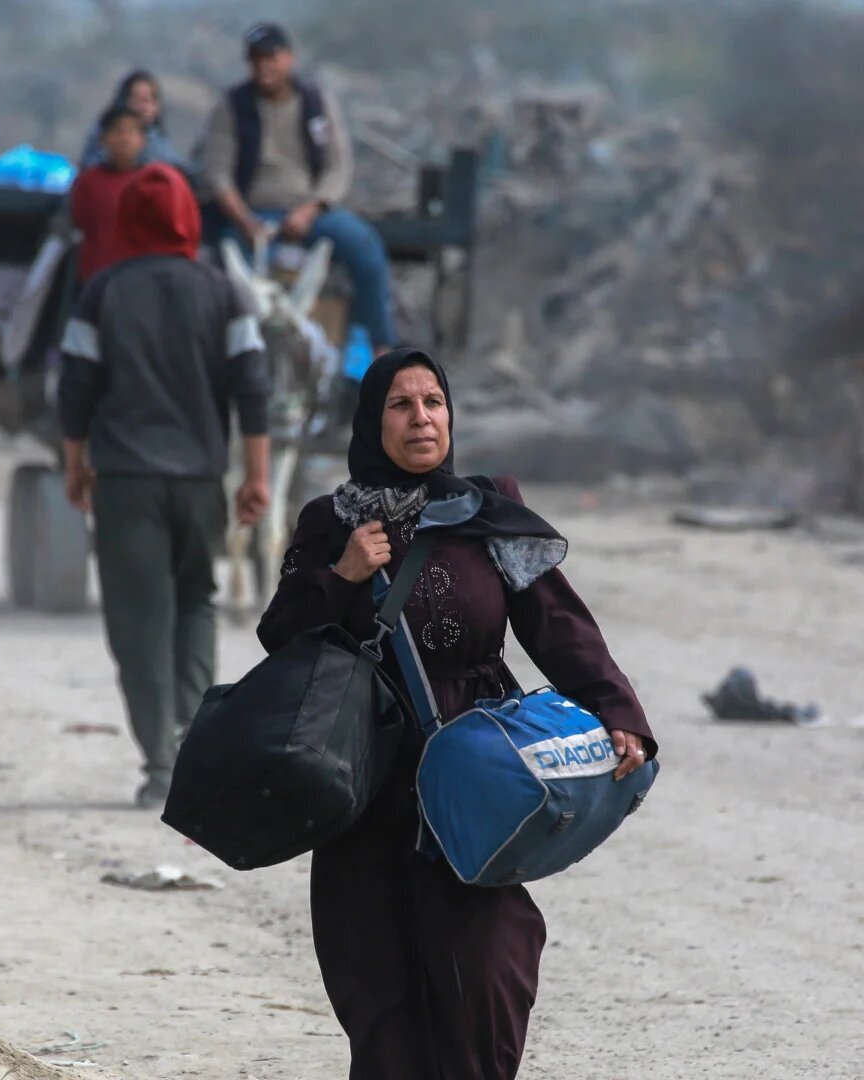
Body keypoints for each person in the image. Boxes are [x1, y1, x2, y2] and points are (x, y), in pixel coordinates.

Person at [257, 348, 658, 1078]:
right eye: (401, 405)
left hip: (474, 774)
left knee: (490, 965)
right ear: (371, 421)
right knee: (377, 984)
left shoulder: (487, 511)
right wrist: (341, 577)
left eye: (433, 403)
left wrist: (614, 709)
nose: (421, 419)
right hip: (366, 781)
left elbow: (558, 624)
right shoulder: (331, 522)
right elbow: (280, 638)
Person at [59, 163, 272, 809]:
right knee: (195, 603)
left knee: (137, 620)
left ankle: (159, 764)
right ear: (187, 217)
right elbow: (253, 386)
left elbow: (73, 388)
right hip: (200, 480)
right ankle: (193, 746)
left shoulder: (102, 290)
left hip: (126, 482)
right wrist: (257, 473)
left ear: (128, 219)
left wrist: (75, 462)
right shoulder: (225, 291)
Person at [201, 22, 396, 350]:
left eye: (271, 57)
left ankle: (380, 349)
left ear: (288, 58)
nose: (264, 66)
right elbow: (217, 173)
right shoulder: (232, 107)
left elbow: (337, 166)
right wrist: (245, 222)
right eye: (256, 59)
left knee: (366, 250)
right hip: (254, 216)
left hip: (311, 211)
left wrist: (309, 210)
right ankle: (236, 358)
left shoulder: (316, 102)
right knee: (235, 282)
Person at [67, 105, 150, 283]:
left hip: (140, 278)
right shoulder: (89, 181)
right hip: (96, 276)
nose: (125, 139)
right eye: (118, 131)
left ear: (143, 141)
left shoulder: (152, 182)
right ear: (103, 139)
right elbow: (79, 219)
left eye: (132, 132)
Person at [79, 70, 193, 176]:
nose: (143, 108)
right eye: (136, 100)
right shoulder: (103, 134)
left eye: (148, 101)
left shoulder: (159, 144)